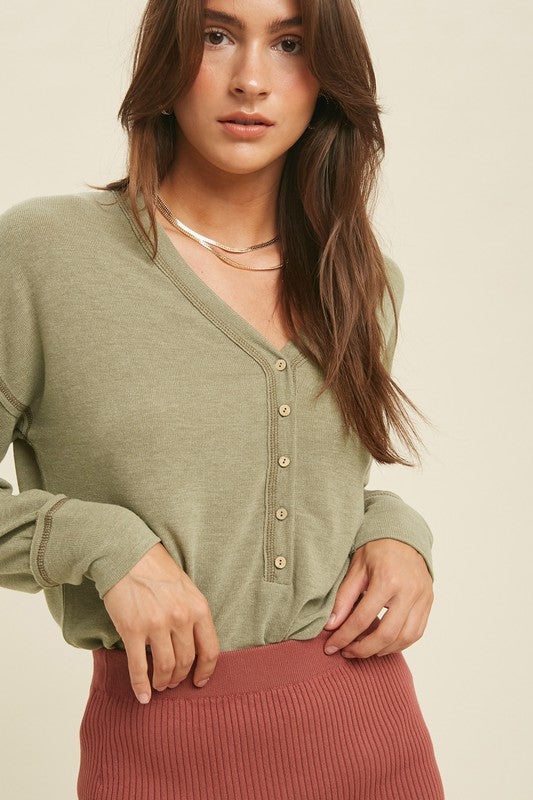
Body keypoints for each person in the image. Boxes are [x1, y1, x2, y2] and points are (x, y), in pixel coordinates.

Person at [0, 0, 445, 798]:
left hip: (373, 737)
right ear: (164, 58)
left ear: (327, 79)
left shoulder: (362, 280)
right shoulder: (44, 255)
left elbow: (292, 488)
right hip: (160, 751)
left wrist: (397, 530)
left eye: (290, 44)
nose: (250, 80)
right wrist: (100, 541)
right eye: (216, 36)